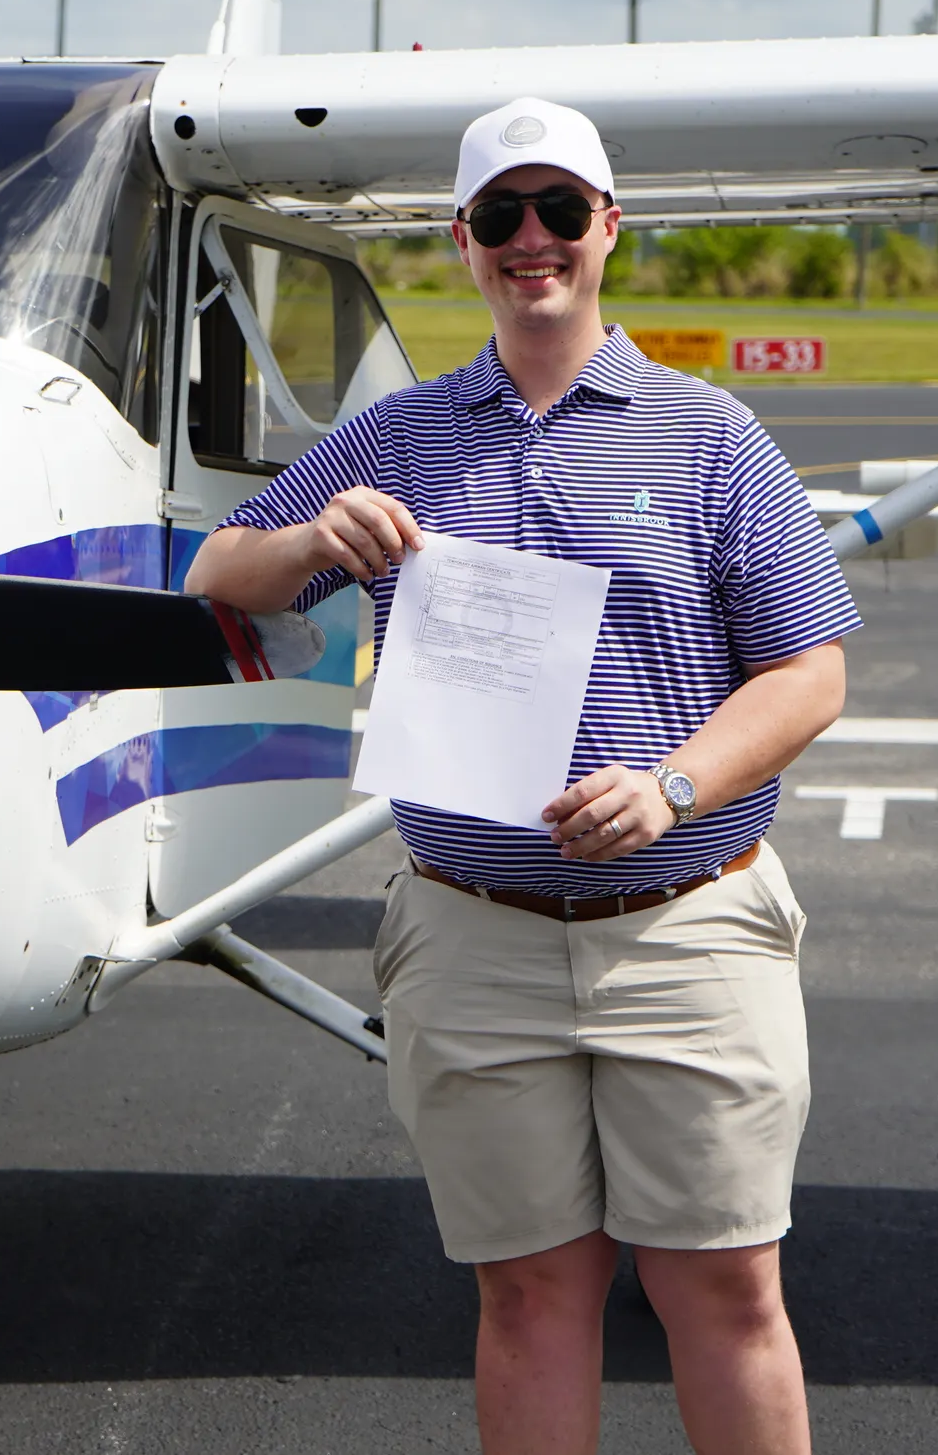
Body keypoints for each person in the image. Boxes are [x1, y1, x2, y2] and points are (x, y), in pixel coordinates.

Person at [185, 97, 859, 1455]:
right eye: (501, 216)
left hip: (687, 920)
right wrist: (315, 530)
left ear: (610, 228)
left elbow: (811, 672)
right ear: (466, 242)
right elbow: (217, 576)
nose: (531, 239)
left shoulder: (711, 433)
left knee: (722, 1284)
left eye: (560, 211)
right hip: (472, 930)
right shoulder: (401, 436)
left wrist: (671, 786)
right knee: (530, 1290)